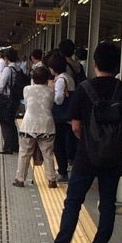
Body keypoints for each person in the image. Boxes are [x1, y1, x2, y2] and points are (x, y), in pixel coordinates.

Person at [34, 41, 122, 243]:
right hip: (115, 158)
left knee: (73, 202)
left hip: (86, 157)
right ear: (117, 66)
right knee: (107, 204)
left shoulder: (84, 89)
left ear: (95, 63)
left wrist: (90, 144)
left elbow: (76, 127)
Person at [12, 66, 56, 188]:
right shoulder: (51, 91)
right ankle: (52, 179)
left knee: (24, 153)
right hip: (46, 125)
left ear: (33, 78)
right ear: (47, 79)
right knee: (48, 154)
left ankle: (20, 179)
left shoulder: (26, 89)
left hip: (28, 125)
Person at [48, 53, 76, 183]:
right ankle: (67, 169)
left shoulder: (60, 80)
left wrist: (51, 91)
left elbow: (59, 100)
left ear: (54, 67)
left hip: (61, 117)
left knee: (59, 145)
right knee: (68, 143)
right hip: (69, 117)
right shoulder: (69, 78)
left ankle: (62, 171)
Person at [0, 47, 20, 154]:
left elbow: (0, 86)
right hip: (15, 99)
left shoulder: (7, 69)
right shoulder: (18, 69)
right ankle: (15, 145)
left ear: (7, 58)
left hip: (6, 100)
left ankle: (7, 147)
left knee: (4, 123)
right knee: (11, 122)